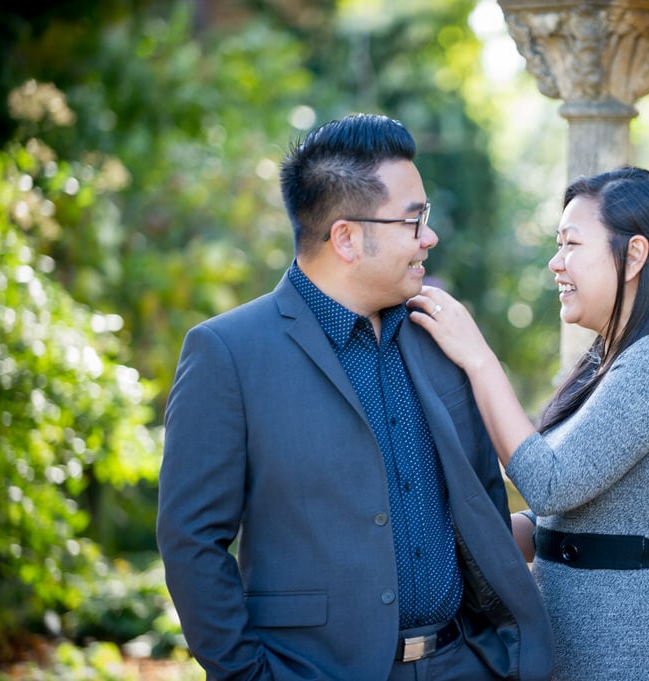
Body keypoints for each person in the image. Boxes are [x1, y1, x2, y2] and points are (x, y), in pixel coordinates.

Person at [156, 113, 553, 681]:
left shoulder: (440, 336)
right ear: (345, 237)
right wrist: (250, 676)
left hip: (464, 665)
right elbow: (191, 541)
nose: (430, 237)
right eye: (413, 221)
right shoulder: (228, 352)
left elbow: (480, 499)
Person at [408, 166, 649, 680]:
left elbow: (551, 484)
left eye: (571, 244)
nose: (556, 263)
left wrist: (479, 358)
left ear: (635, 255)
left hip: (631, 659)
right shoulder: (610, 358)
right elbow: (559, 521)